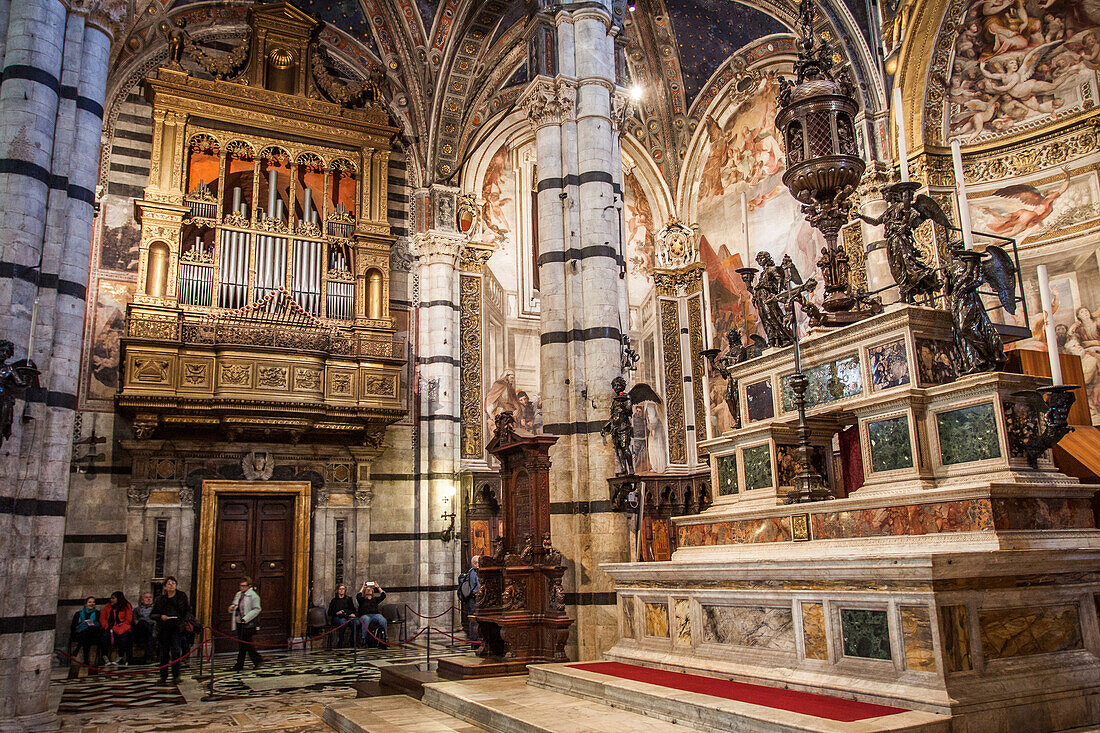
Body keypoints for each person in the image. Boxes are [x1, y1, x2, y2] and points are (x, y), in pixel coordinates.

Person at [152, 576, 189, 684]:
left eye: (173, 583)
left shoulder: (181, 596)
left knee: (176, 651)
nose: (171, 585)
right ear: (164, 587)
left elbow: (186, 611)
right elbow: (153, 614)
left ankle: (176, 675)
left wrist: (184, 621)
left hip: (177, 627)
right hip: (164, 628)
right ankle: (163, 675)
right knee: (164, 652)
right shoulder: (160, 600)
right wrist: (161, 616)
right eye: (169, 583)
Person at [229, 577, 263, 671]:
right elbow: (236, 604)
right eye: (240, 586)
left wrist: (246, 618)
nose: (241, 588)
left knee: (246, 644)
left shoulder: (253, 596)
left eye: (244, 586)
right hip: (239, 621)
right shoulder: (238, 594)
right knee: (243, 644)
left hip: (247, 623)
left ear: (249, 586)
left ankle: (256, 660)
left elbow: (257, 609)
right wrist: (232, 607)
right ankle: (245, 663)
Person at [99, 591, 133, 666]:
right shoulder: (108, 606)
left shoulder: (126, 606)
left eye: (113, 598)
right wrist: (106, 626)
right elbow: (102, 618)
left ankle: (120, 657)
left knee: (123, 637)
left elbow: (128, 620)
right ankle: (105, 656)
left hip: (122, 627)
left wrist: (118, 627)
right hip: (109, 627)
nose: (111, 600)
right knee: (104, 636)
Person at [70, 597, 101, 676]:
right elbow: (74, 626)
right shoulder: (79, 614)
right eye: (90, 602)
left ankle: (81, 652)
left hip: (93, 633)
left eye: (93, 602)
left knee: (89, 630)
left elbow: (99, 624)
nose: (92, 604)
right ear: (85, 604)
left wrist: (93, 624)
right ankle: (85, 658)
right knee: (86, 631)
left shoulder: (97, 613)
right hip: (81, 633)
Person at [356, 581, 387, 646]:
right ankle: (363, 639)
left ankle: (385, 638)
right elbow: (358, 595)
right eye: (367, 590)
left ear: (372, 592)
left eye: (370, 590)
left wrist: (378, 587)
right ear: (365, 592)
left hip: (375, 615)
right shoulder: (362, 600)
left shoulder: (375, 600)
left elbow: (383, 595)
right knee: (366, 619)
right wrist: (363, 587)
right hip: (364, 615)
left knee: (382, 619)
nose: (369, 591)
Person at [327, 584, 357, 648]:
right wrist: (337, 613)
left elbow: (353, 609)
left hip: (347, 616)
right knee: (343, 622)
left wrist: (352, 614)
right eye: (340, 589)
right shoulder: (334, 600)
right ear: (337, 590)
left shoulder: (348, 599)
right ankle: (341, 641)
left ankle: (352, 640)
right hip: (337, 617)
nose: (341, 591)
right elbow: (329, 612)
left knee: (355, 622)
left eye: (343, 589)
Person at [132, 591, 157, 663]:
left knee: (150, 635)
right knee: (143, 623)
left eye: (150, 597)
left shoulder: (155, 609)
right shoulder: (137, 610)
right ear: (142, 600)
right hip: (141, 629)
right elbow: (135, 621)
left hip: (152, 628)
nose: (148, 599)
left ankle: (148, 657)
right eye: (146, 598)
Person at [460, 556, 481, 641]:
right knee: (474, 620)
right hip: (474, 599)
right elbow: (478, 586)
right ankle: (474, 640)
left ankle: (473, 639)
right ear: (476, 564)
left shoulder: (470, 572)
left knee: (472, 619)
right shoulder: (475, 572)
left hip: (471, 599)